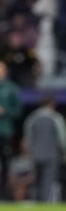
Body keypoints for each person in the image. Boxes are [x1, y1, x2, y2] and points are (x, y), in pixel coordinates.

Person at [23, 95, 66, 202]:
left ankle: (36, 202)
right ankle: (47, 204)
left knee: (35, 182)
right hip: (51, 156)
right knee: (49, 182)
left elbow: (27, 139)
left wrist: (28, 155)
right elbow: (63, 139)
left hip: (35, 155)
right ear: (52, 104)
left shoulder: (32, 118)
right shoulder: (56, 118)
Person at [0, 60, 23, 194]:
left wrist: (5, 111)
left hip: (5, 132)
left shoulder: (12, 88)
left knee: (6, 164)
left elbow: (19, 112)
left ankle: (4, 193)